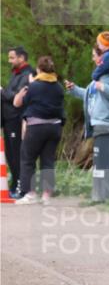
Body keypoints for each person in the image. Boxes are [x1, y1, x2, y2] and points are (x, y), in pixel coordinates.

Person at [12, 56, 63, 205]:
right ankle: (46, 195)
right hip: (55, 127)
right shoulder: (58, 86)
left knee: (27, 158)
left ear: (39, 70)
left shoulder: (34, 86)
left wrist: (30, 85)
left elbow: (22, 103)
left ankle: (30, 193)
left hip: (36, 127)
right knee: (48, 161)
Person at [65, 47, 109, 139]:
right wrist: (74, 89)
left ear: (104, 57)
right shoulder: (99, 75)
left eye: (94, 56)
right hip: (98, 127)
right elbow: (92, 96)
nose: (92, 59)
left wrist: (104, 87)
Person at [2, 46, 35, 198]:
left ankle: (22, 187)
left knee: (17, 154)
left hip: (17, 119)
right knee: (11, 155)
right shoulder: (16, 74)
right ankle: (15, 184)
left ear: (21, 58)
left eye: (12, 58)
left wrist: (2, 92)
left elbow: (19, 97)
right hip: (9, 120)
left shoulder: (28, 74)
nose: (10, 61)